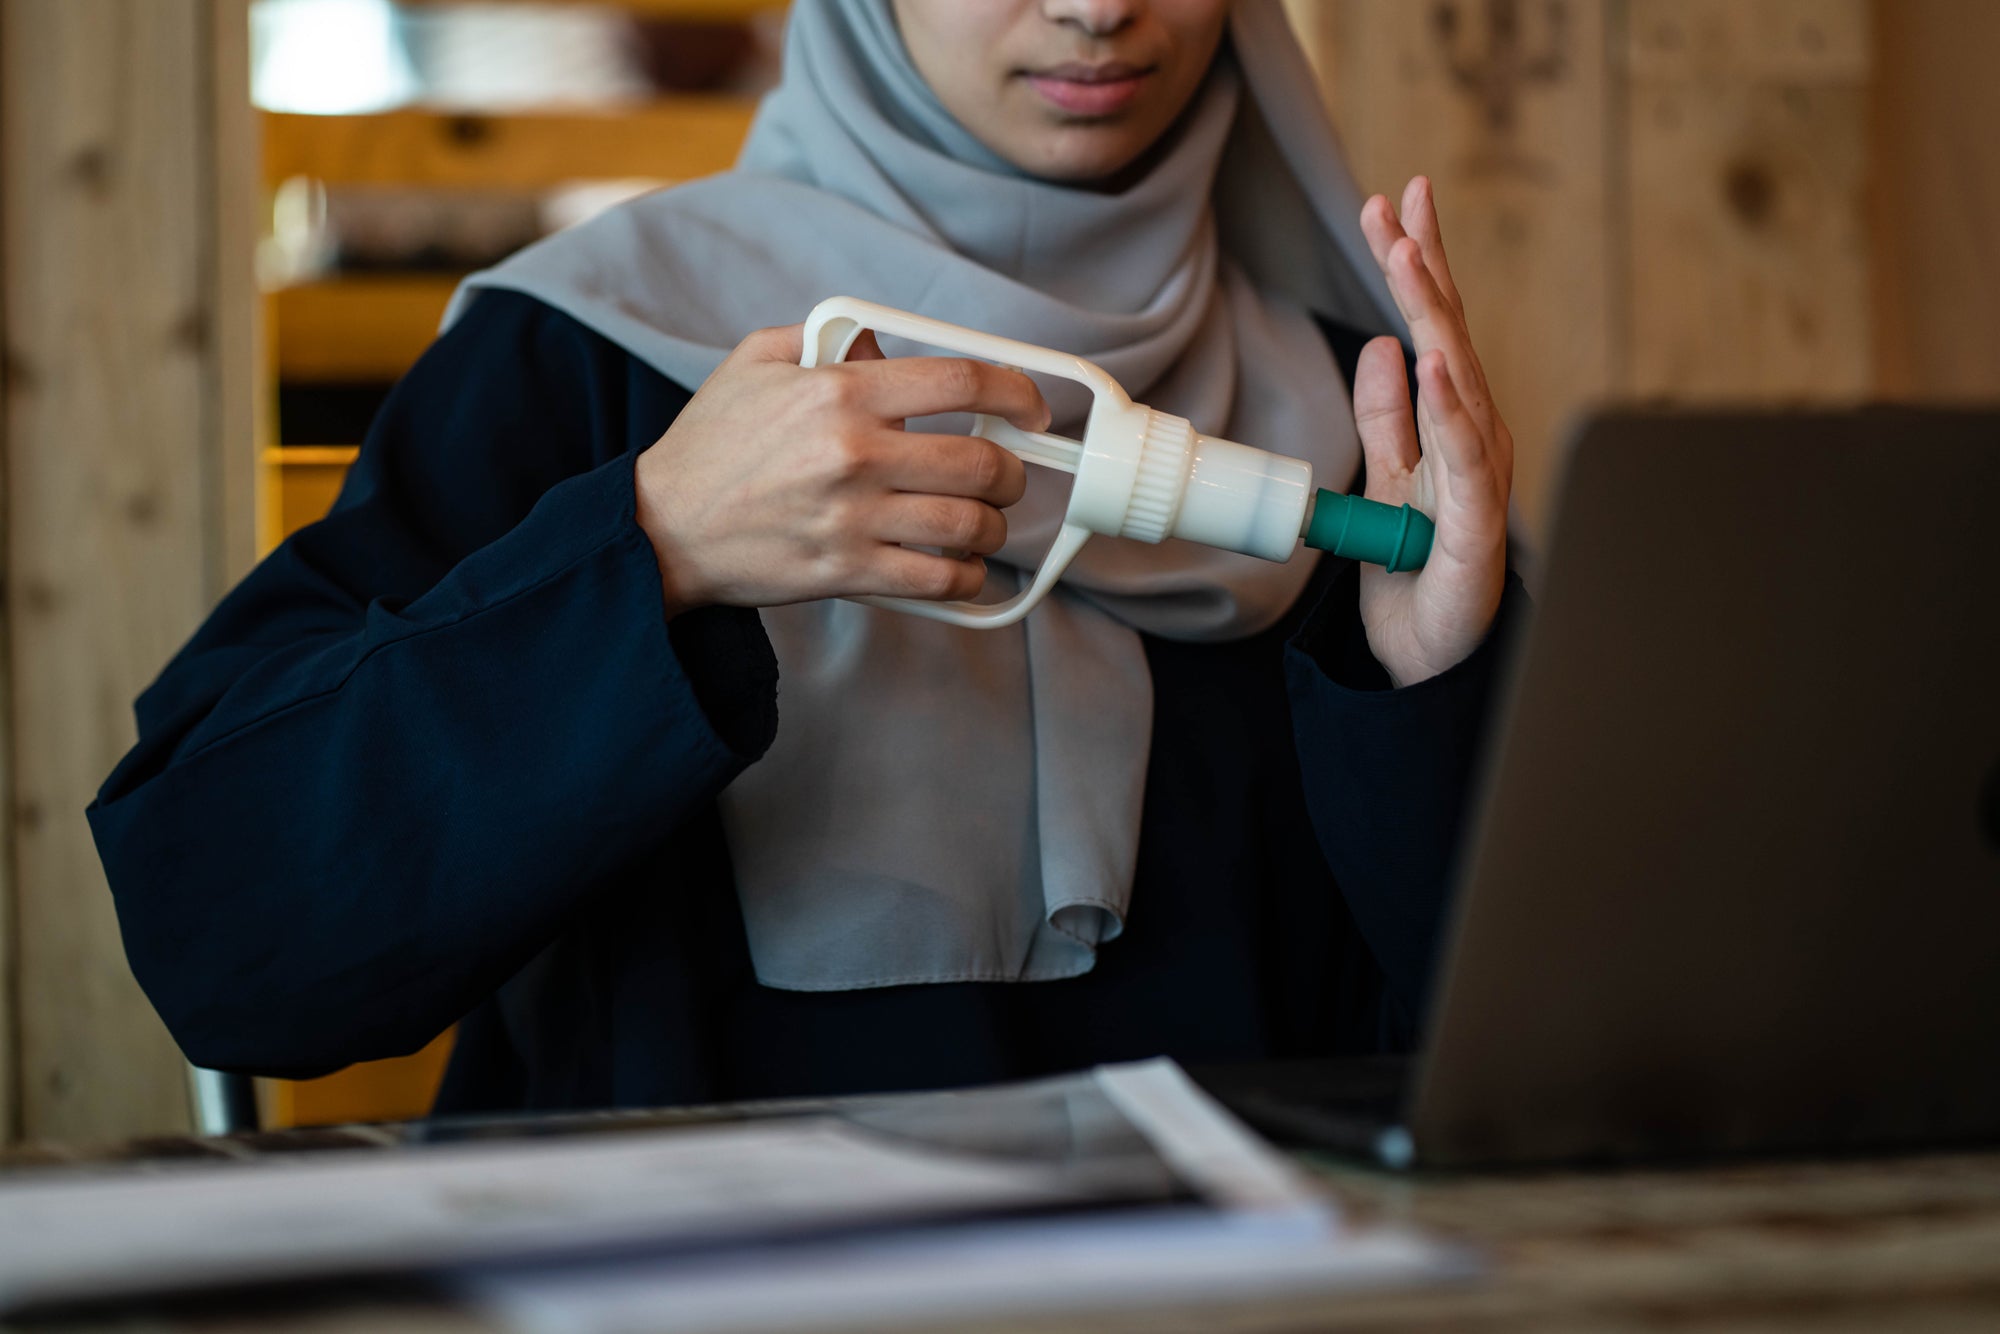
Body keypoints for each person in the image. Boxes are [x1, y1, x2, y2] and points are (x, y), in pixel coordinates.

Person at [90, 0, 1521, 1113]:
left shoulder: (1363, 435)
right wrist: (658, 548)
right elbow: (222, 932)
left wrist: (1429, 692)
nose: (1096, 8)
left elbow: (1494, 1063)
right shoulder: (599, 353)